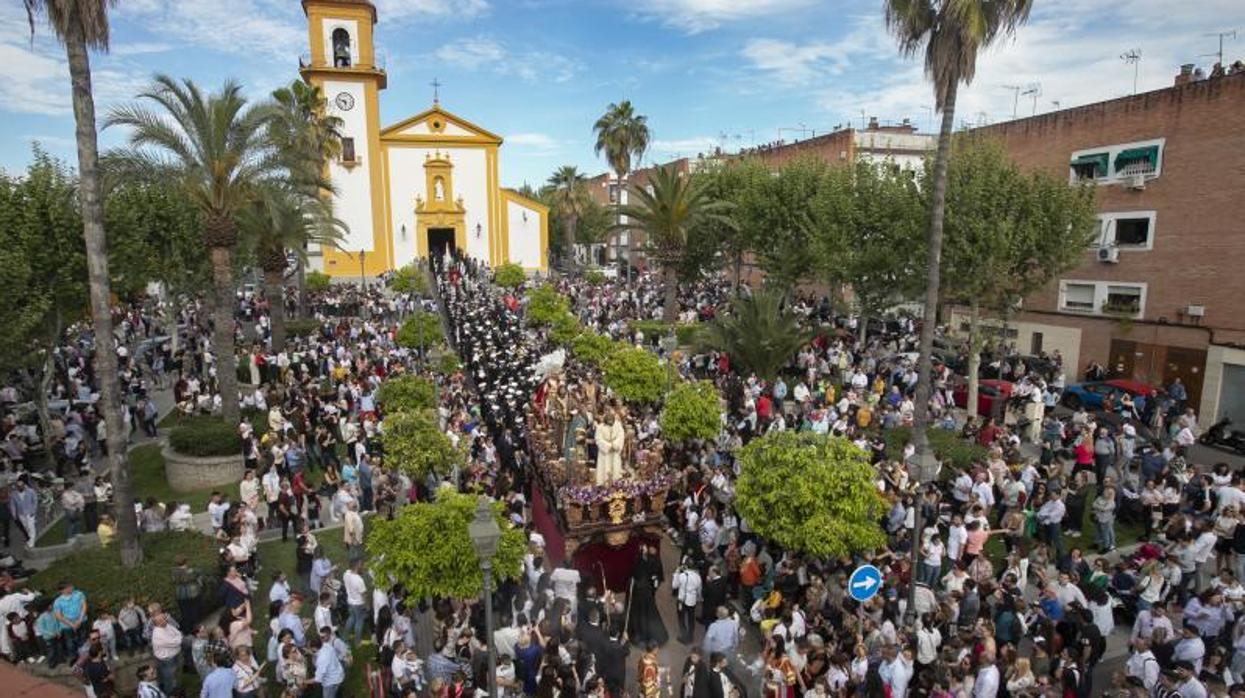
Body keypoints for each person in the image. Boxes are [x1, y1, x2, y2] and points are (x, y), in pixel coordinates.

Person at [628, 543, 669, 646]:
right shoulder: (647, 565)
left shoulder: (642, 566)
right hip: (647, 596)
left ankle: (640, 636)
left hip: (641, 598)